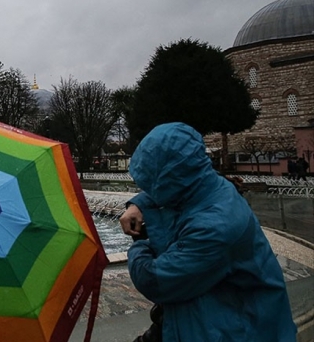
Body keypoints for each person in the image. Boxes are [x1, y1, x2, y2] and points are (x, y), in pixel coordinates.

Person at [119, 122, 296, 341]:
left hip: (236, 330)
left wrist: (139, 245)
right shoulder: (208, 185)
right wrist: (138, 205)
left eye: (151, 183)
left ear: (169, 179)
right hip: (213, 316)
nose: (148, 190)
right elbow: (175, 188)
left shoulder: (216, 226)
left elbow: (154, 280)